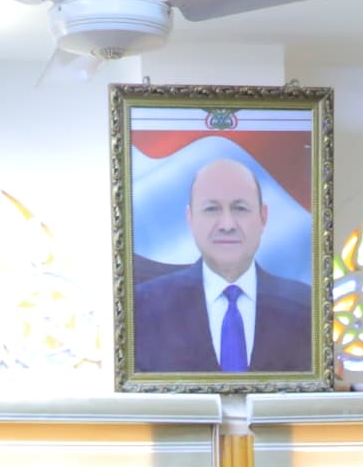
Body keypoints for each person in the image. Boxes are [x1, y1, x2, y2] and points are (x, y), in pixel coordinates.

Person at [130, 155, 313, 375]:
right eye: (211, 209)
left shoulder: (306, 306)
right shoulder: (144, 307)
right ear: (190, 219)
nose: (227, 225)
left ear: (263, 217)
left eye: (240, 208)